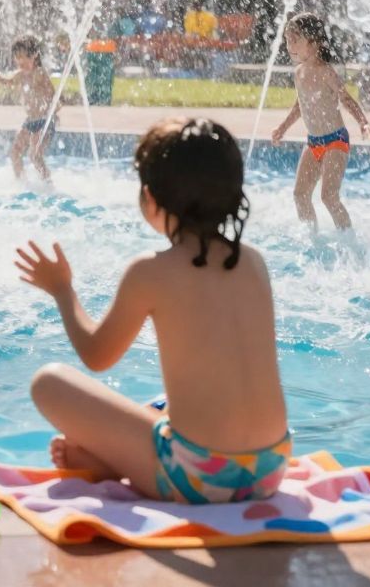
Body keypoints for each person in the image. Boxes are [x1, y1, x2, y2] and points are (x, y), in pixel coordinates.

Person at [17, 118, 290, 504]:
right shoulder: (254, 262)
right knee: (170, 402)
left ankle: (119, 463)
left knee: (49, 382)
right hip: (271, 468)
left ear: (150, 197)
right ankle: (115, 462)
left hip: (198, 479)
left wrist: (62, 290)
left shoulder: (149, 271)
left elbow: (97, 355)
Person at [269, 13, 370, 232]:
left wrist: (363, 123)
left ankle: (348, 238)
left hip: (335, 141)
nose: (289, 45)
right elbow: (300, 105)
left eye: (294, 40)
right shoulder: (299, 73)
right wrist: (283, 127)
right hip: (314, 143)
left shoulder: (326, 72)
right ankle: (312, 237)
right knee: (300, 195)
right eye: (287, 40)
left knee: (328, 196)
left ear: (314, 42)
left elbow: (346, 99)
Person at [0, 34, 56, 182]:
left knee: (34, 155)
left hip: (44, 122)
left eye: (24, 57)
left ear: (35, 56)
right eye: (17, 57)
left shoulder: (40, 73)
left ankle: (47, 182)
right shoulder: (20, 75)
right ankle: (22, 183)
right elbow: (7, 82)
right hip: (30, 121)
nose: (20, 61)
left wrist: (53, 109)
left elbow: (53, 94)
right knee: (15, 152)